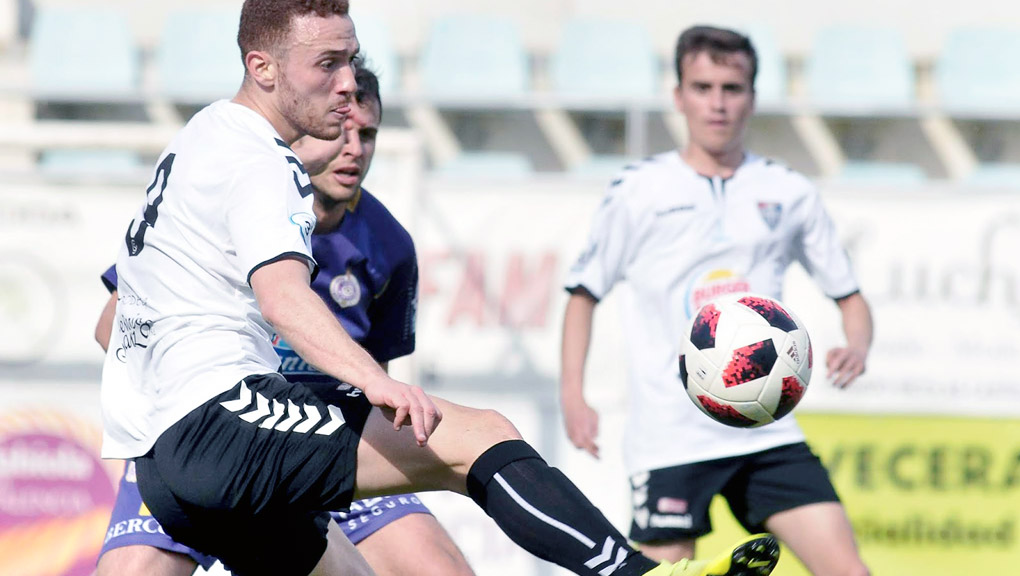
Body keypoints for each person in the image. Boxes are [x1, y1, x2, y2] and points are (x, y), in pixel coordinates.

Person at [100, 2, 780, 575]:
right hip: (221, 426)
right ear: (263, 68)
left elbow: (135, 311)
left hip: (165, 457)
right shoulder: (259, 163)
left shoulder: (203, 136)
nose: (346, 84)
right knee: (479, 434)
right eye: (326, 64)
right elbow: (282, 297)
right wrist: (376, 381)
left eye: (351, 58)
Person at [94, 64, 475, 576]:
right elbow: (112, 327)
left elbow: (375, 381)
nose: (354, 148)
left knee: (439, 569)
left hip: (319, 440)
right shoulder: (226, 187)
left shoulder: (389, 244)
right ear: (306, 125)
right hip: (200, 435)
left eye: (368, 134)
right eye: (340, 130)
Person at [560, 24, 873, 576]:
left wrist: (858, 343)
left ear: (752, 96)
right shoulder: (639, 191)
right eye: (703, 88)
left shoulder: (788, 190)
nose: (718, 104)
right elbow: (583, 296)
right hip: (671, 436)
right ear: (678, 96)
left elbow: (849, 295)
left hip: (768, 426)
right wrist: (573, 395)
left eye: (732, 88)